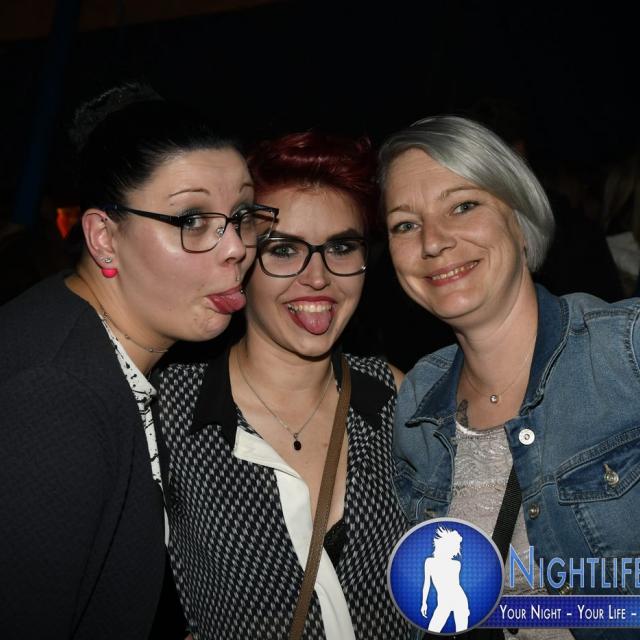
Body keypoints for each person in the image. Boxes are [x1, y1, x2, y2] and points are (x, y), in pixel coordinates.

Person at [0, 83, 277, 639]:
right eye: (192, 219)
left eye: (242, 214)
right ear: (104, 237)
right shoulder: (55, 396)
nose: (236, 247)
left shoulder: (101, 345)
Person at [379, 115, 640, 640]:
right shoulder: (416, 401)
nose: (433, 242)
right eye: (405, 224)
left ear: (519, 219)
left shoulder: (625, 352)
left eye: (462, 206)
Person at [155, 131, 412, 639]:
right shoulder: (169, 408)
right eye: (284, 249)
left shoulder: (397, 396)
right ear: (241, 258)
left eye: (341, 247)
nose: (317, 277)